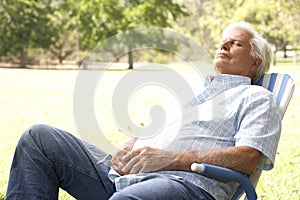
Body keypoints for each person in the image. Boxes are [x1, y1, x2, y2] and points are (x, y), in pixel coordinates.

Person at [6, 22, 281, 200]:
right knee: (39, 138)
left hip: (185, 184)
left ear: (254, 62)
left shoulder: (256, 98)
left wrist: (171, 160)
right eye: (223, 41)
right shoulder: (191, 92)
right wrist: (127, 149)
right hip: (127, 175)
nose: (223, 45)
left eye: (236, 43)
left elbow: (247, 158)